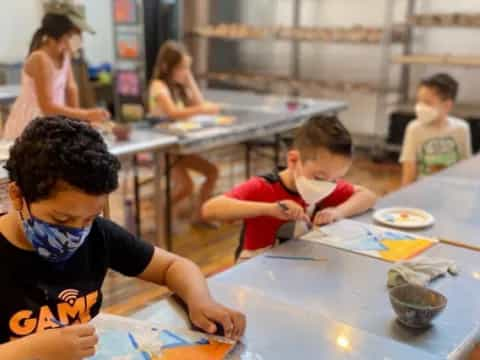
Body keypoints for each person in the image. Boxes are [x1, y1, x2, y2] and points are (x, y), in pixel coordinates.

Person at [0, 116, 246, 359]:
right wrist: (29, 351)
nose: (76, 233)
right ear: (17, 195)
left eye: (90, 217)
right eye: (62, 219)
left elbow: (173, 266)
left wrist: (201, 301)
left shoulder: (98, 235)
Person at [202, 115, 377, 260]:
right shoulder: (264, 187)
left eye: (335, 179)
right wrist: (270, 209)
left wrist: (338, 212)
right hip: (254, 271)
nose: (327, 185)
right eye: (319, 177)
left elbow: (367, 196)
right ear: (293, 160)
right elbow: (210, 209)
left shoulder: (326, 185)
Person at [3, 3, 109, 140]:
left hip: (52, 122)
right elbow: (47, 106)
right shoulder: (40, 58)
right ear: (61, 33)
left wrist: (78, 125)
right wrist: (86, 115)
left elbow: (72, 89)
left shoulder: (64, 55)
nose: (79, 40)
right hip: (31, 124)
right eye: (75, 34)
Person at [149, 41, 220, 226]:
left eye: (187, 68)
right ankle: (161, 214)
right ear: (167, 67)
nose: (184, 71)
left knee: (212, 172)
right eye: (181, 68)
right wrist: (201, 110)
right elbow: (172, 112)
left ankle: (201, 215)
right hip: (164, 148)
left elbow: (198, 103)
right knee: (186, 186)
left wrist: (190, 79)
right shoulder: (158, 86)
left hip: (179, 146)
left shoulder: (177, 86)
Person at [400, 73, 472, 186]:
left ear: (447, 105)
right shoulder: (414, 129)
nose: (420, 107)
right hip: (423, 190)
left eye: (427, 102)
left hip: (452, 189)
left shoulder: (461, 129)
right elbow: (409, 167)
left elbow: (466, 166)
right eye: (419, 101)